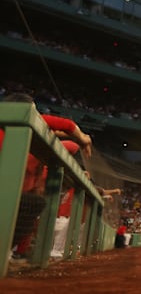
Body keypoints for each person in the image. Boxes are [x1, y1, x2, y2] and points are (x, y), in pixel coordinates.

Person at [1, 93, 92, 259]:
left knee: (31, 205)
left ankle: (16, 252)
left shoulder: (22, 133)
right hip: (14, 193)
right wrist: (82, 138)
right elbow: (69, 127)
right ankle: (13, 252)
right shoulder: (26, 118)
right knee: (32, 204)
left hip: (19, 190)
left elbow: (67, 139)